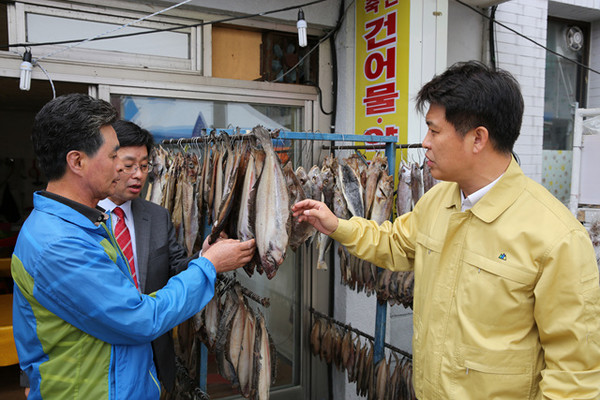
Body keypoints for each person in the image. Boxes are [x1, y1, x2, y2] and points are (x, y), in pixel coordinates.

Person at [293, 61, 600, 399]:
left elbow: (575, 376)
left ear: (478, 139)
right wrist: (337, 225)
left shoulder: (557, 237)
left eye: (434, 131)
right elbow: (395, 244)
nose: (424, 142)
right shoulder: (439, 200)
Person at [11, 93, 255, 400]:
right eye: (114, 158)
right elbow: (140, 319)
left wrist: (203, 257)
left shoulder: (85, 223)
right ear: (77, 161)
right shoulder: (60, 244)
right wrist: (209, 266)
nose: (125, 170)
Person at [97, 120, 199, 394]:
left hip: (152, 354)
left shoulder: (156, 215)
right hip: (99, 360)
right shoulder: (81, 218)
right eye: (129, 165)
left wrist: (208, 258)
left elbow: (176, 267)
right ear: (105, 161)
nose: (138, 175)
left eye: (144, 166)